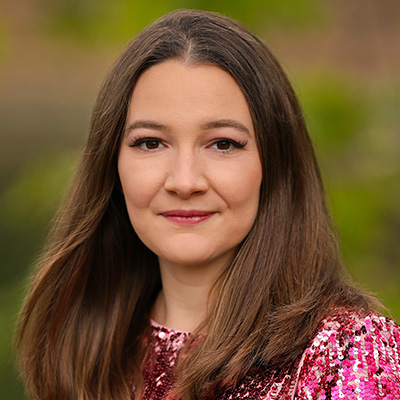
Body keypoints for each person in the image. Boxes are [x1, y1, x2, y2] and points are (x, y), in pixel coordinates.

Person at [16, 9, 400, 400]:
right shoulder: (82, 351)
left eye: (223, 144)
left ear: (275, 165)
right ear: (112, 165)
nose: (185, 181)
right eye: (151, 142)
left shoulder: (348, 353)